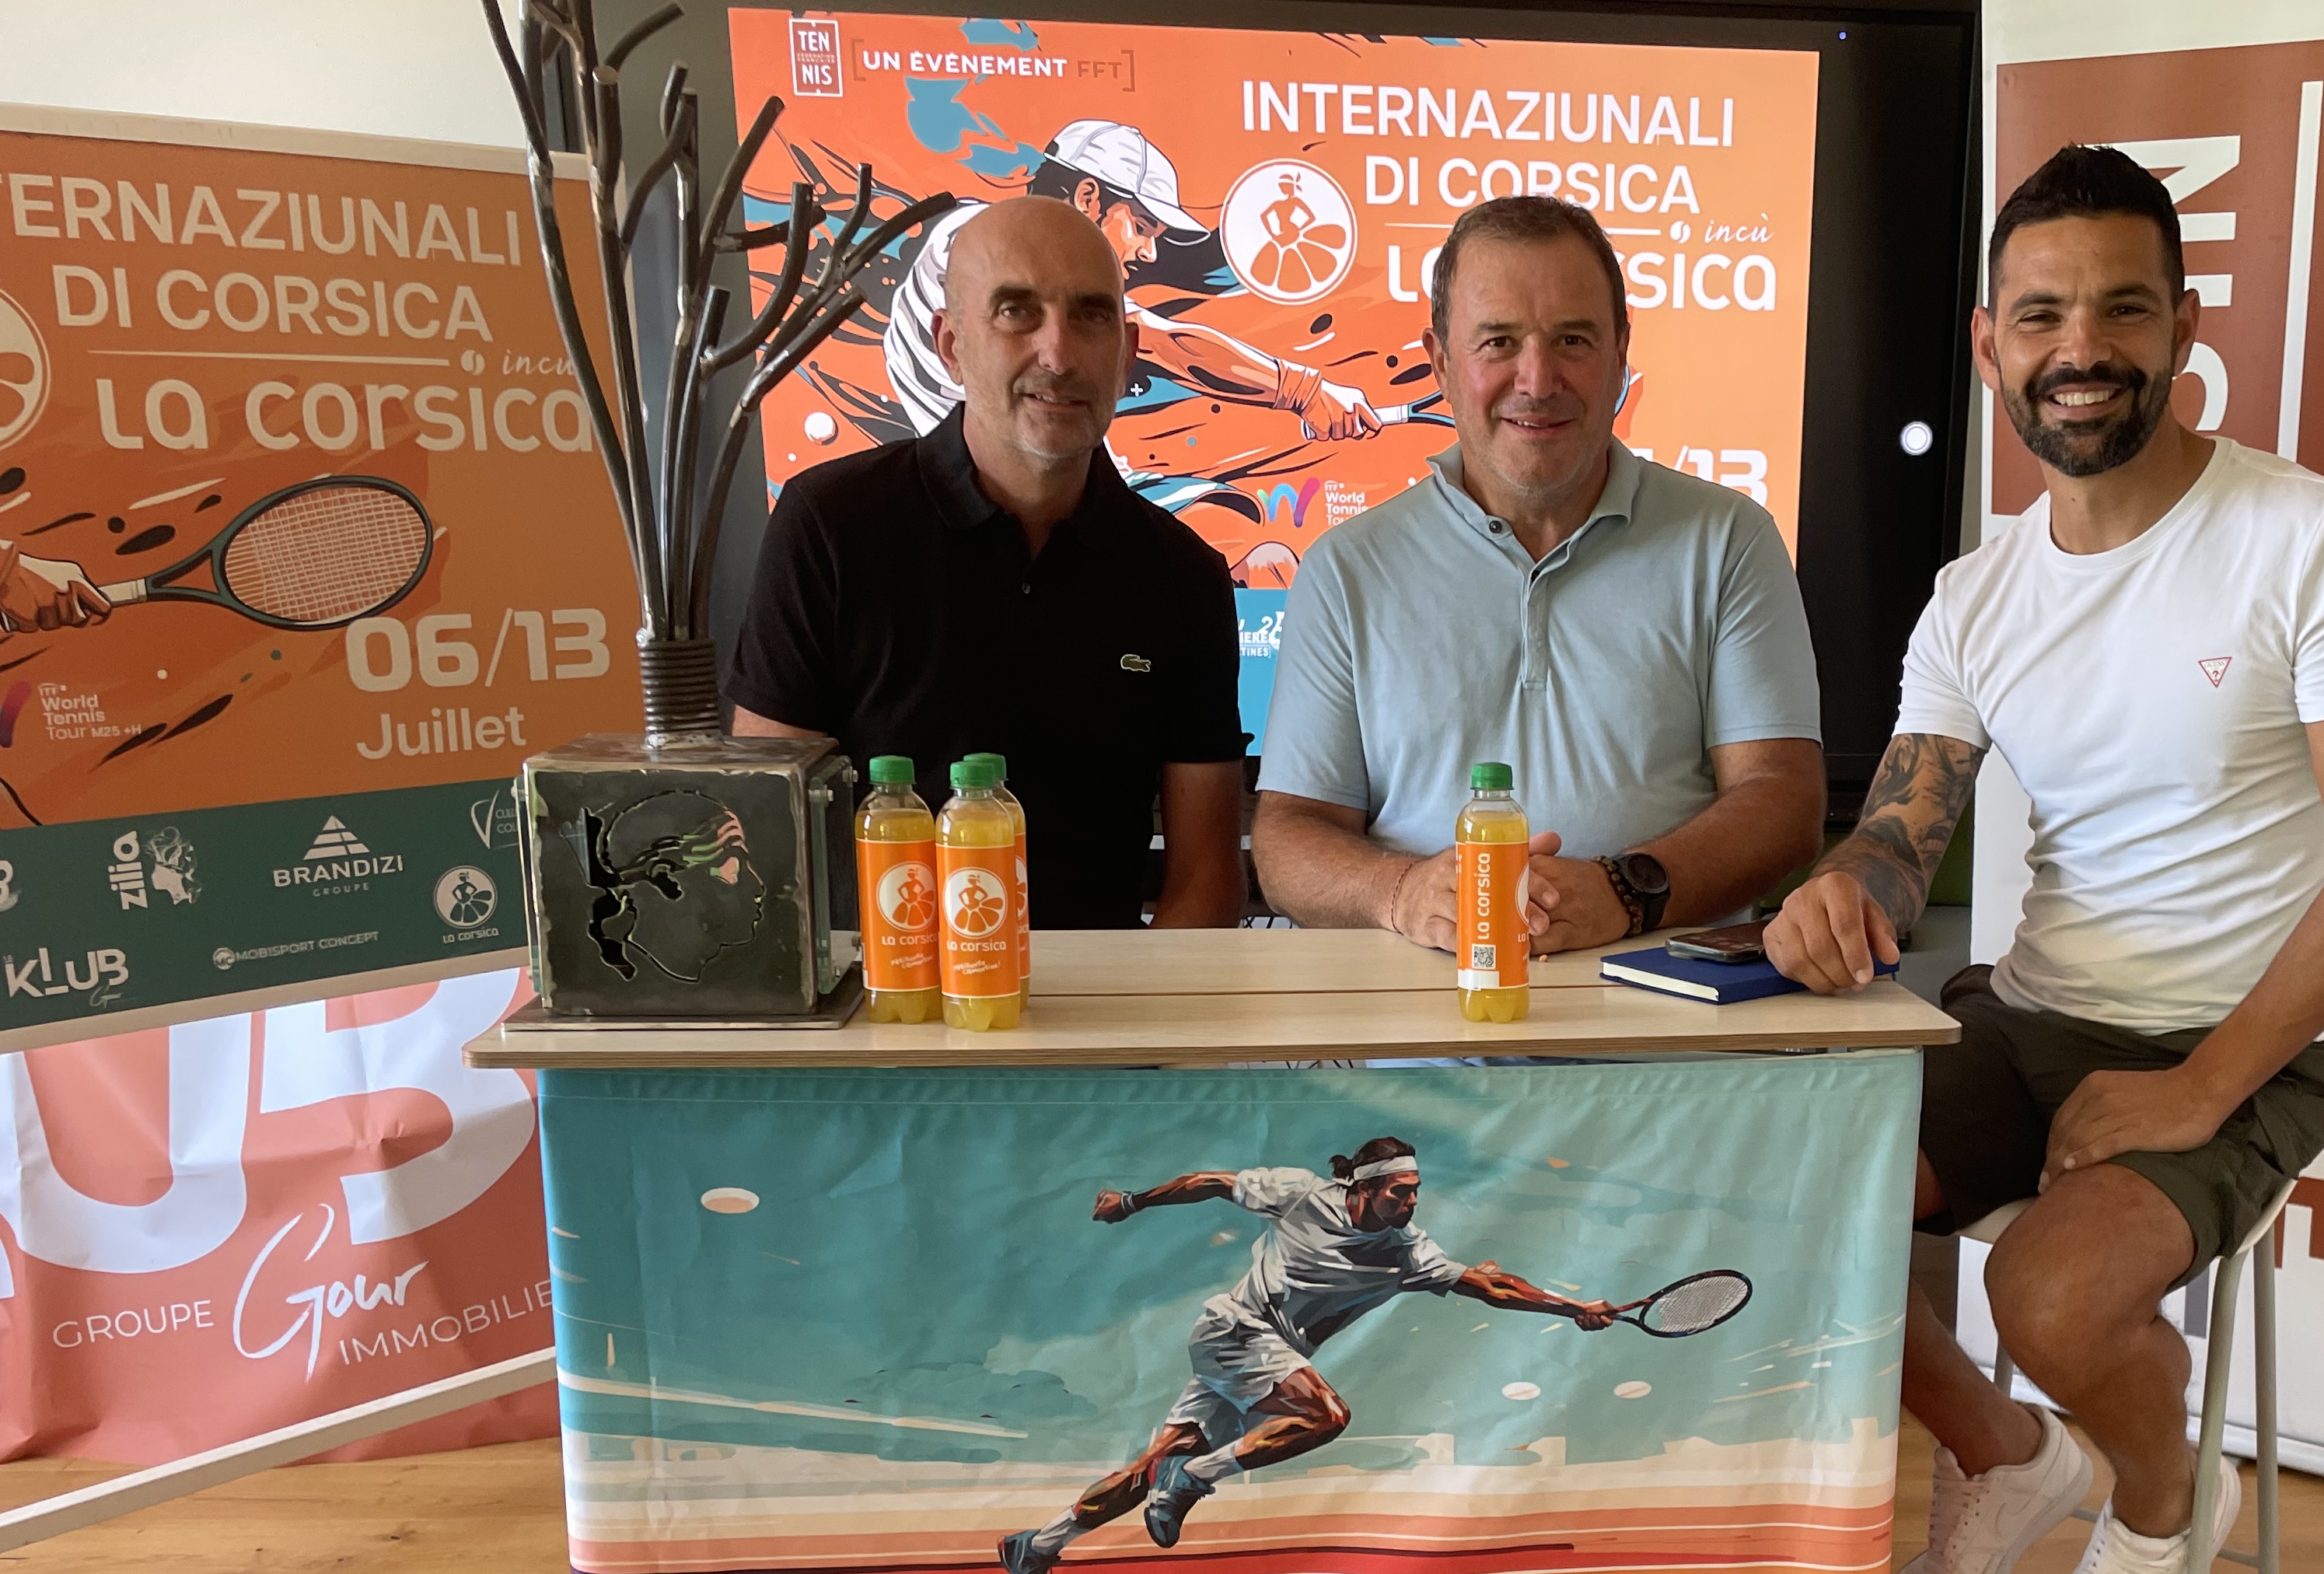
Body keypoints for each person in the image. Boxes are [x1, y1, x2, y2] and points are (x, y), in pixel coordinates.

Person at [1767, 145, 2324, 1574]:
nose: (2081, 348)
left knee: (2051, 1297)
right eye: (2043, 314)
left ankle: (2162, 1501)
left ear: (2185, 326)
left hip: (2235, 1044)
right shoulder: (1976, 593)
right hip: (2023, 1014)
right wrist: (1842, 888)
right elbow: (1904, 828)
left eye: (2123, 310)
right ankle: (2008, 1455)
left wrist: (2199, 1085)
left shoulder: (2309, 531)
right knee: (1783, 1202)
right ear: (1989, 343)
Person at [1251, 194, 1824, 953]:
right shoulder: (1346, 569)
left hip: (1670, 1012)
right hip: (1416, 1012)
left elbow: (1783, 798)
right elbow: (1288, 835)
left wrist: (1626, 892)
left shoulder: (1729, 541)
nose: (1537, 378)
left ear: (1621, 355)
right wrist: (1403, 893)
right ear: (1439, 363)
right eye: (1498, 342)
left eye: (1572, 340)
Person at [727, 195, 1248, 929]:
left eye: (1091, 315)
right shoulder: (830, 526)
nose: (1058, 354)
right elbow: (772, 840)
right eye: (1016, 312)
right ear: (950, 344)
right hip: (885, 992)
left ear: (1126, 349)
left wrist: (1138, 1009)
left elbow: (1206, 880)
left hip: (1107, 999)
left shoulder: (1185, 575)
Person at [998, 1135, 1620, 1574]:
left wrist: (1572, 1309)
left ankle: (1038, 1545)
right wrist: (1133, 1202)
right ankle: (1193, 1477)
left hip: (1251, 1362)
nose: (1410, 1201)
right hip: (1235, 1330)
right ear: (1364, 1189)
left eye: (1415, 1191)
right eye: (1398, 1191)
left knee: (1144, 1473)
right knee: (1326, 1416)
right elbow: (1210, 1182)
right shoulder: (1299, 1194)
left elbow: (1492, 1285)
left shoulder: (1408, 1252)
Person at [882, 120, 1383, 448]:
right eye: (1142, 227)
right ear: (1088, 198)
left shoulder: (981, 231)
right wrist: (1301, 390)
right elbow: (1167, 345)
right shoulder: (984, 247)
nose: (1149, 253)